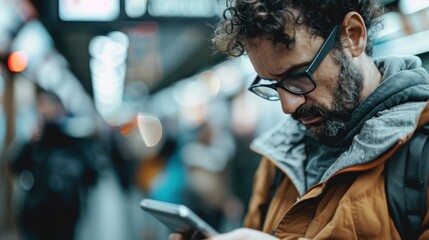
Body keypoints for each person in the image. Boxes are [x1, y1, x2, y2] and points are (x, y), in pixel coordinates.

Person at [170, 0, 429, 239]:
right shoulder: (278, 158)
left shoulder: (421, 154)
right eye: (273, 84)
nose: (287, 106)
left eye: (297, 77)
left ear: (352, 35)